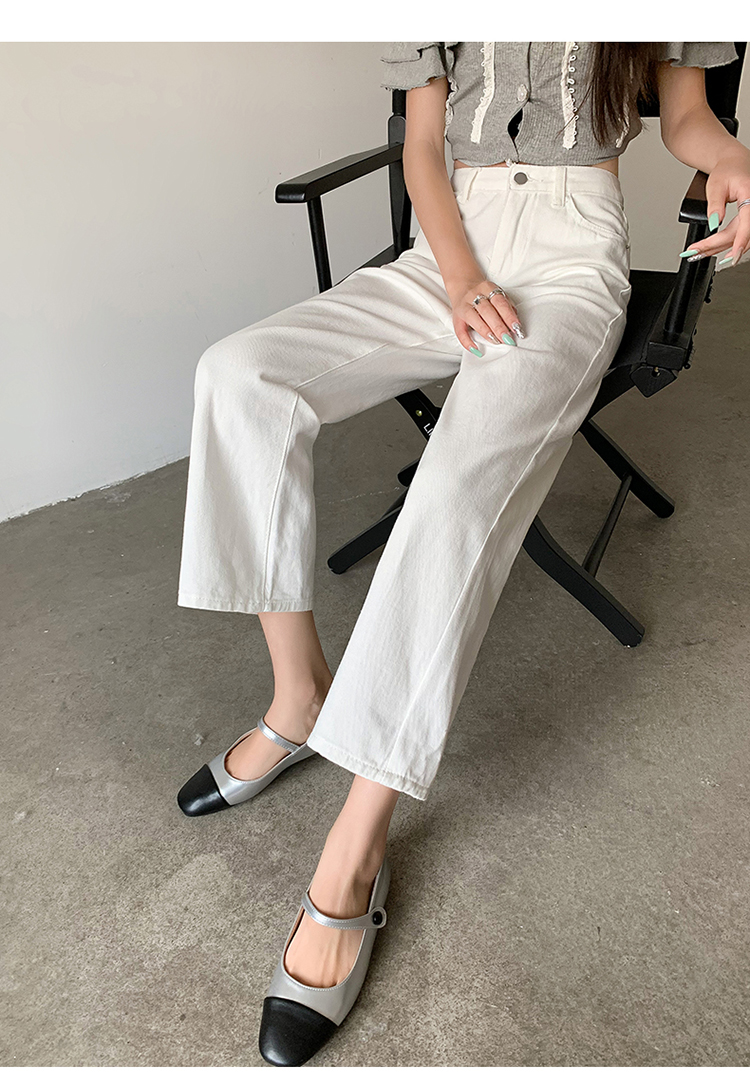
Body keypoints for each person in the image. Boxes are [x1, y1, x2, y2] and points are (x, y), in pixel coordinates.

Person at [175, 42, 749, 1066]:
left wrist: (734, 157)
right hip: (449, 242)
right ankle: (299, 696)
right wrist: (459, 274)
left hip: (571, 260)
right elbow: (424, 147)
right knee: (240, 377)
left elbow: (686, 118)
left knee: (450, 488)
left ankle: (356, 853)